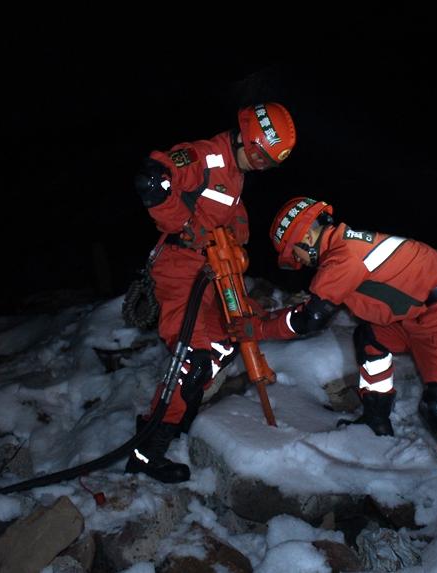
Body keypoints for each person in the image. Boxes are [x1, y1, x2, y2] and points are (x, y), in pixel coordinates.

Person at [228, 197, 437, 517]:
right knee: (370, 339)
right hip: (412, 317)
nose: (298, 261)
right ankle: (376, 420)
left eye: (294, 253)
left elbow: (310, 319)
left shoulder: (344, 257)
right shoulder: (345, 248)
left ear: (307, 237)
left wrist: (259, 329)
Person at [126, 103, 297, 483]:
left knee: (224, 343)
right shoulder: (206, 156)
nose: (262, 166)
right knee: (193, 360)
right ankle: (145, 453)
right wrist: (184, 225)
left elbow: (220, 212)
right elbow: (152, 180)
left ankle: (173, 412)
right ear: (244, 138)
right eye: (259, 157)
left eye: (269, 163)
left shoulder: (235, 175)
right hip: (179, 267)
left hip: (209, 270)